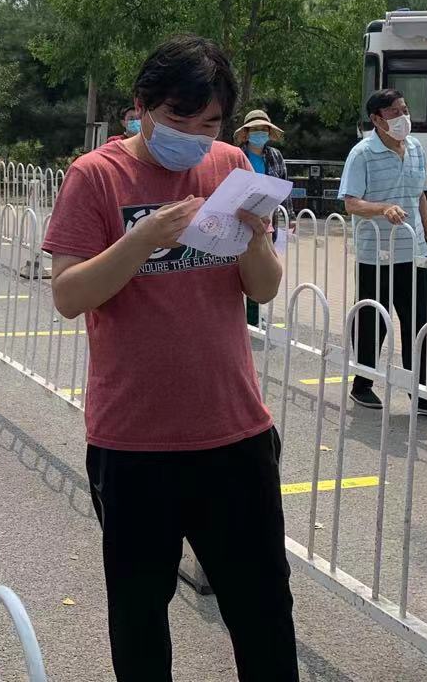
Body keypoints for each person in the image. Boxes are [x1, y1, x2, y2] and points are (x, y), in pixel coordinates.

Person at [43, 35, 294, 682]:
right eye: (179, 119)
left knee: (264, 612)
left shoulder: (232, 167)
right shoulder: (95, 176)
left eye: (209, 123)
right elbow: (69, 295)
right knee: (139, 619)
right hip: (135, 442)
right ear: (141, 107)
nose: (195, 137)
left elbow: (263, 289)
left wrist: (255, 241)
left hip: (234, 431)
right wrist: (144, 238)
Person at [338, 89, 427, 420]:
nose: (403, 117)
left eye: (405, 110)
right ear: (376, 119)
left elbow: (420, 196)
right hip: (376, 254)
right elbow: (351, 203)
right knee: (372, 319)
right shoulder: (362, 154)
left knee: (423, 321)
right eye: (394, 112)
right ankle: (363, 383)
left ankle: (424, 392)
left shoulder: (416, 148)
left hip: (414, 252)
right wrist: (382, 208)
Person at [234, 109, 286, 328]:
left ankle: (253, 317)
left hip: (268, 218)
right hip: (240, 218)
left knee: (262, 264)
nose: (259, 133)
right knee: (242, 265)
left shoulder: (275, 156)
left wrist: (289, 216)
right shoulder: (237, 156)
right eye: (255, 129)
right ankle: (243, 315)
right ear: (246, 133)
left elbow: (283, 186)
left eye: (263, 129)